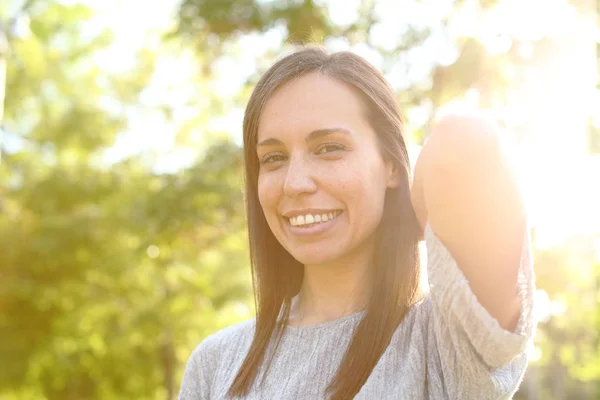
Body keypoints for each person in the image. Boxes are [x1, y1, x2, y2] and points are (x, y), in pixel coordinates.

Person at [178, 45, 536, 400]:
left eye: (329, 148)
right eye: (273, 158)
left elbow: (465, 140)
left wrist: (407, 220)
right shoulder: (215, 362)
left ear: (391, 166)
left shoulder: (447, 342)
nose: (295, 183)